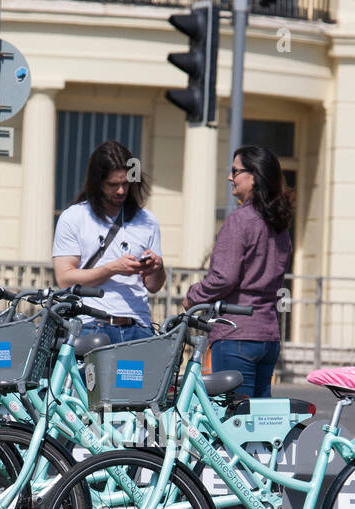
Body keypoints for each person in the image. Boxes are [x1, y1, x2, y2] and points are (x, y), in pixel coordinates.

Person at [183, 145, 293, 398]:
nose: (229, 177)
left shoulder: (240, 220)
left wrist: (193, 296)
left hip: (236, 333)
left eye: (235, 171)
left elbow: (224, 277)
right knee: (259, 419)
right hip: (268, 334)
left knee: (235, 420)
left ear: (254, 176)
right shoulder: (279, 224)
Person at [53, 141, 166, 342]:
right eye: (113, 185)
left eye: (126, 183)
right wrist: (112, 268)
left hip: (138, 326)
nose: (121, 191)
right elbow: (64, 278)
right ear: (97, 183)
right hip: (90, 324)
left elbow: (154, 286)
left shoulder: (147, 220)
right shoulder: (74, 217)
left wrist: (157, 267)